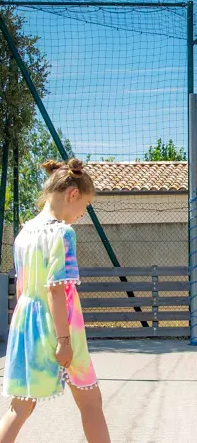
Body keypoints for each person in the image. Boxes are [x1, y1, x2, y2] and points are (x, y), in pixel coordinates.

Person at [0, 159, 110, 443]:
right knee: (90, 402)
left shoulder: (24, 233)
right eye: (84, 205)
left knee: (20, 405)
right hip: (62, 327)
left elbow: (23, 287)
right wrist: (63, 340)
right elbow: (56, 289)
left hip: (27, 323)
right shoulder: (62, 232)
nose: (82, 213)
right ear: (72, 194)